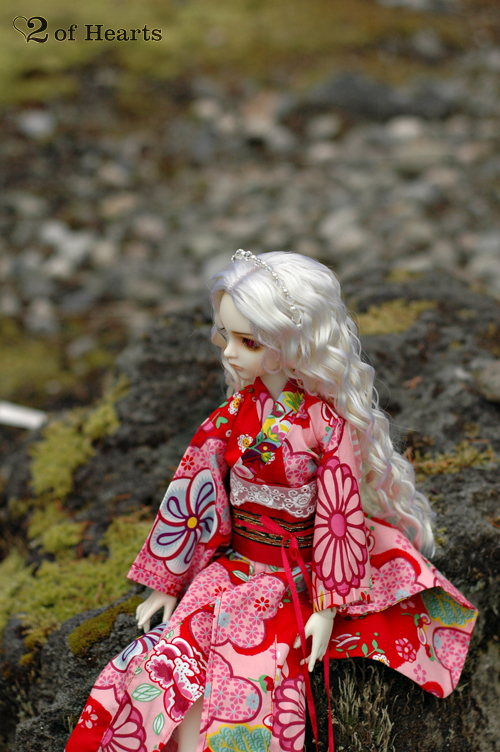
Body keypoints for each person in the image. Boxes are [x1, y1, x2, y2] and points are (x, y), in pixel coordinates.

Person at [66, 251, 477, 752]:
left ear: (291, 342)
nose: (229, 354)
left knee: (250, 676)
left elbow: (339, 514)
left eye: (249, 342)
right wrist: (167, 580)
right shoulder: (234, 415)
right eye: (227, 336)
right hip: (234, 564)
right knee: (172, 657)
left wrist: (326, 607)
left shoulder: (325, 425)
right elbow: (195, 488)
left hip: (294, 576)